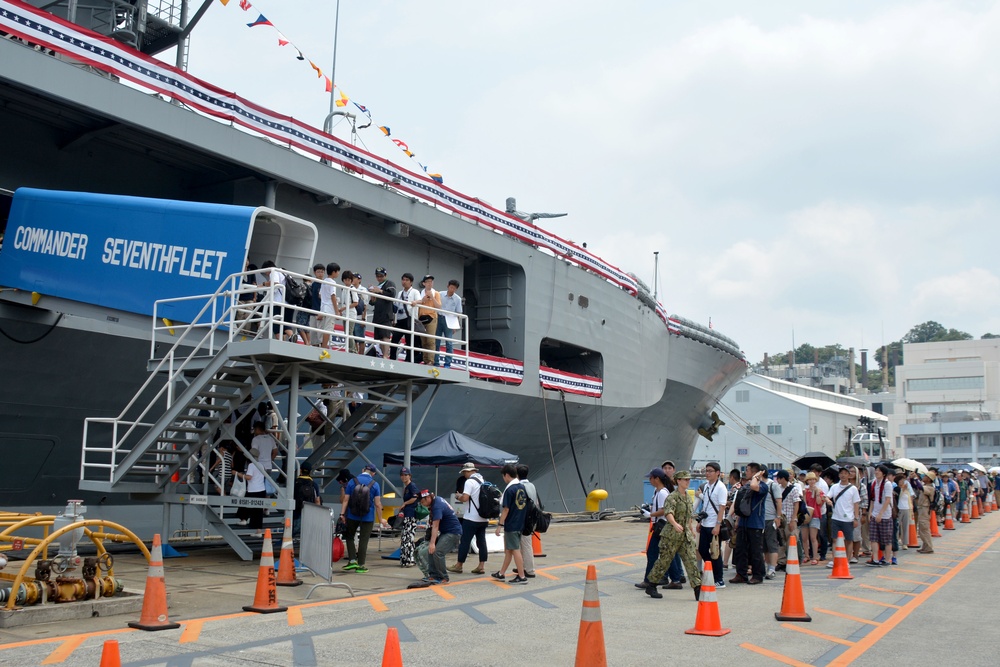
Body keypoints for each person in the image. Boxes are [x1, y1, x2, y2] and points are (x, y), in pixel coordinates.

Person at [644, 470, 702, 600]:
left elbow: (688, 514)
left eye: (688, 479)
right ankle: (651, 585)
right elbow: (668, 512)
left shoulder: (687, 496)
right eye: (685, 479)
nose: (687, 482)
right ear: (678, 481)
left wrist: (690, 529)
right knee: (664, 561)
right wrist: (675, 524)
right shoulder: (672, 497)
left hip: (684, 534)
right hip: (671, 535)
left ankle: (698, 589)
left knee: (691, 561)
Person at [338, 463, 387, 573]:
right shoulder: (375, 485)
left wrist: (342, 514)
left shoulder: (352, 481)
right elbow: (378, 504)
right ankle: (361, 565)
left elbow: (346, 500)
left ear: (363, 469)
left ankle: (351, 560)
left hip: (352, 515)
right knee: (363, 540)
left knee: (350, 537)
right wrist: (381, 519)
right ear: (373, 474)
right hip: (368, 517)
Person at [730, 462, 769, 585]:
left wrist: (757, 477)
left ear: (754, 472)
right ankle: (741, 574)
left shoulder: (763, 486)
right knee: (740, 549)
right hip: (743, 522)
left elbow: (754, 486)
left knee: (756, 551)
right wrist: (737, 520)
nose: (745, 472)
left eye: (747, 470)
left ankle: (758, 575)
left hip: (755, 523)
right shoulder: (745, 486)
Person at [491, 463, 529, 584]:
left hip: (511, 524)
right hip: (520, 522)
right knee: (509, 550)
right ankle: (501, 573)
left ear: (507, 475)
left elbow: (506, 509)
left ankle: (522, 576)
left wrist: (499, 526)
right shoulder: (521, 487)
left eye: (503, 476)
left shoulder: (510, 490)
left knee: (515, 549)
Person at [415, 490, 463, 584]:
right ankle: (433, 575)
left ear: (428, 498)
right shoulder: (436, 500)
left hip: (453, 532)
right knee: (431, 551)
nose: (422, 504)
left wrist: (432, 543)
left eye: (423, 502)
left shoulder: (437, 506)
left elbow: (435, 526)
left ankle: (443, 577)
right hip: (446, 531)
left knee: (438, 552)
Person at [449, 462, 488, 575]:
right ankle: (481, 566)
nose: (464, 474)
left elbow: (465, 498)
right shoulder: (483, 481)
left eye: (464, 472)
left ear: (468, 471)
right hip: (483, 517)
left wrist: (458, 496)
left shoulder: (469, 482)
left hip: (471, 518)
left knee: (465, 541)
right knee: (482, 542)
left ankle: (459, 565)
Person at [635, 467, 669, 590]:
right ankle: (667, 577)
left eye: (651, 477)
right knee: (662, 554)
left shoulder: (662, 493)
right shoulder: (659, 492)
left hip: (660, 526)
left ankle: (649, 580)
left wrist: (650, 514)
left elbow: (664, 510)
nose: (649, 480)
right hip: (658, 526)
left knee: (652, 553)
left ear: (657, 479)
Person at [696, 461, 728, 589]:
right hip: (705, 523)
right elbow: (707, 504)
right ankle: (711, 572)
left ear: (717, 473)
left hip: (714, 524)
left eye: (710, 471)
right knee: (703, 550)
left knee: (715, 551)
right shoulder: (708, 486)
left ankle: (719, 579)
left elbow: (722, 507)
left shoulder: (721, 487)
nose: (707, 473)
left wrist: (718, 525)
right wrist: (700, 522)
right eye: (706, 471)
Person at [825, 466, 861, 565]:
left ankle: (847, 560)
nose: (843, 475)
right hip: (836, 517)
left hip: (848, 518)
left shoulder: (853, 489)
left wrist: (856, 518)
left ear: (849, 475)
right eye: (841, 473)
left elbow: (856, 504)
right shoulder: (834, 487)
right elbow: (827, 496)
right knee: (835, 539)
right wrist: (828, 500)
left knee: (849, 540)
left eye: (845, 473)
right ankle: (834, 559)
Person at [868, 464, 895, 566]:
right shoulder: (874, 483)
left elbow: (888, 499)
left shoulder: (887, 484)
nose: (876, 472)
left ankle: (887, 559)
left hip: (885, 515)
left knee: (886, 538)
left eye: (878, 471)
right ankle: (875, 559)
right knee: (874, 538)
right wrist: (871, 512)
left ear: (883, 473)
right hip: (875, 513)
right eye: (876, 470)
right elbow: (873, 498)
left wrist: (880, 513)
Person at [235, 447, 266, 536]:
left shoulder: (251, 465)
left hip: (253, 490)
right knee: (258, 511)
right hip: (261, 489)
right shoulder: (261, 465)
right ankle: (258, 531)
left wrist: (237, 474)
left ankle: (243, 519)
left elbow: (249, 477)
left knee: (244, 504)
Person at [515, 463, 539, 578]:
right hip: (531, 518)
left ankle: (529, 570)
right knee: (524, 544)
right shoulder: (532, 485)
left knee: (525, 545)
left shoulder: (519, 487)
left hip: (523, 519)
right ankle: (523, 566)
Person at [367, 267, 396, 358]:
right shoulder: (378, 285)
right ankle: (382, 354)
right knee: (379, 337)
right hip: (378, 314)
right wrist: (373, 296)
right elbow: (372, 303)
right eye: (377, 276)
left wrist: (379, 291)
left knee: (385, 336)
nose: (379, 278)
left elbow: (392, 294)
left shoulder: (389, 283)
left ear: (385, 275)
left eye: (381, 276)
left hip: (386, 314)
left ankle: (385, 355)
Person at [391, 273, 420, 360]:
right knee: (394, 339)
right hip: (400, 319)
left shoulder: (415, 291)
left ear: (411, 282)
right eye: (403, 279)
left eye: (407, 280)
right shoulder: (400, 293)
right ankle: (392, 358)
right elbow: (396, 305)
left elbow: (421, 300)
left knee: (409, 341)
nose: (404, 282)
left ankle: (408, 360)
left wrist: (415, 302)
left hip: (409, 319)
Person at [762, 468, 783, 578]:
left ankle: (772, 569)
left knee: (772, 544)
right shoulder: (757, 485)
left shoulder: (772, 485)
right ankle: (768, 567)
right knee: (764, 546)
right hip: (760, 520)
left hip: (771, 518)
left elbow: (779, 501)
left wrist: (778, 517)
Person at [801, 472, 825, 564]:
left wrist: (817, 493)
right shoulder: (805, 491)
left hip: (815, 515)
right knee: (804, 537)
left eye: (813, 479)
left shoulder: (819, 490)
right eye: (809, 480)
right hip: (806, 515)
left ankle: (815, 556)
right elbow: (804, 502)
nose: (811, 481)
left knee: (813, 537)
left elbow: (819, 503)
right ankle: (807, 555)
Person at [292, 462, 321, 538]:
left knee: (291, 534)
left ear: (300, 470)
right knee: (307, 535)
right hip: (309, 513)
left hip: (295, 512)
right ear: (310, 471)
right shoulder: (313, 484)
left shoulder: (295, 482)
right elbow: (317, 500)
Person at [437, 279, 462, 367]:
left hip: (450, 321)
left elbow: (458, 313)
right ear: (448, 286)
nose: (452, 290)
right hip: (439, 318)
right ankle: (436, 362)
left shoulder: (457, 299)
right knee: (436, 341)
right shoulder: (440, 294)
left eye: (454, 288)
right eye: (451, 287)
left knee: (449, 343)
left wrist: (455, 326)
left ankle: (447, 363)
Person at [417, 275, 441, 364]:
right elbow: (418, 303)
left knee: (430, 340)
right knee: (423, 341)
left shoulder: (436, 293)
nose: (430, 283)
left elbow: (439, 307)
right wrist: (423, 299)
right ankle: (425, 359)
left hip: (432, 317)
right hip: (421, 318)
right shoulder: (420, 293)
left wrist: (432, 297)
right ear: (423, 283)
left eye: (431, 281)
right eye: (427, 281)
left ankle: (430, 361)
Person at [319, 262, 341, 348]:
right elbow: (333, 296)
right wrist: (337, 311)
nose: (338, 273)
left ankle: (323, 345)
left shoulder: (324, 281)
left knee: (323, 328)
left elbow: (320, 295)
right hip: (330, 309)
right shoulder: (333, 282)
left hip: (323, 308)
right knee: (328, 329)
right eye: (338, 271)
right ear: (334, 272)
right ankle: (324, 347)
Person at [916, 471, 935, 553]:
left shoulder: (930, 488)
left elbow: (920, 487)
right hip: (921, 508)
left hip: (925, 508)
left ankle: (929, 547)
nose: (923, 477)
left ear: (929, 479)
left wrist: (915, 478)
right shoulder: (926, 486)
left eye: (925, 476)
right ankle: (925, 546)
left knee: (924, 528)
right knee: (921, 529)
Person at [351, 272, 369, 354]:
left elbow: (365, 305)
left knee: (361, 339)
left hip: (359, 317)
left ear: (359, 280)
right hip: (352, 316)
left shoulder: (363, 290)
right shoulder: (350, 288)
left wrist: (363, 319)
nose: (352, 279)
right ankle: (355, 353)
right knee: (353, 337)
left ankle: (361, 355)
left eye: (354, 278)